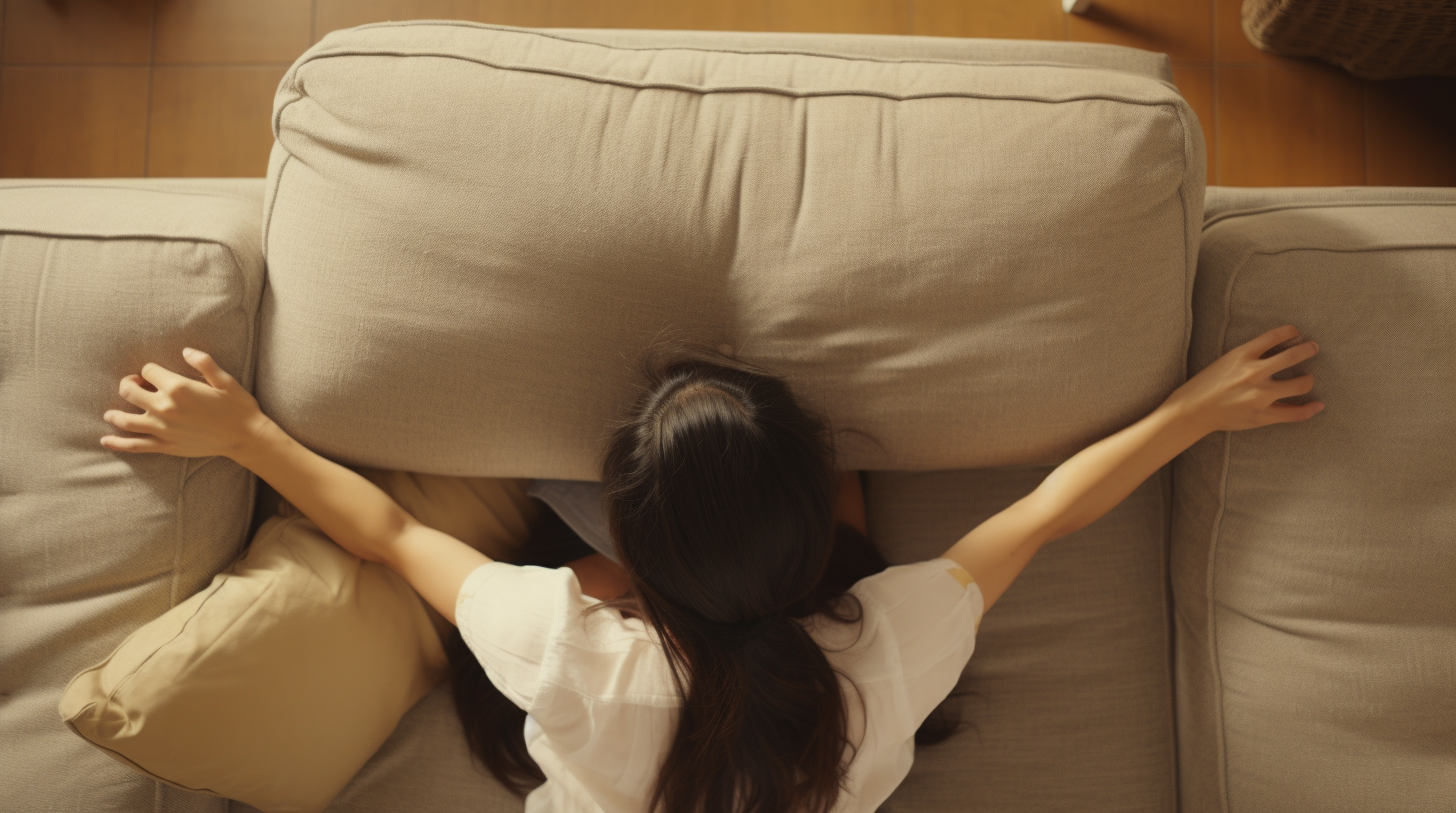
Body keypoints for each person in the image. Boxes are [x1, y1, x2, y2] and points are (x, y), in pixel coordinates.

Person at [98, 326, 1323, 813]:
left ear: (617, 552)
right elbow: (1052, 511)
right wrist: (1195, 410)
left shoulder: (560, 636)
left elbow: (382, 532)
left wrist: (247, 435)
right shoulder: (888, 643)